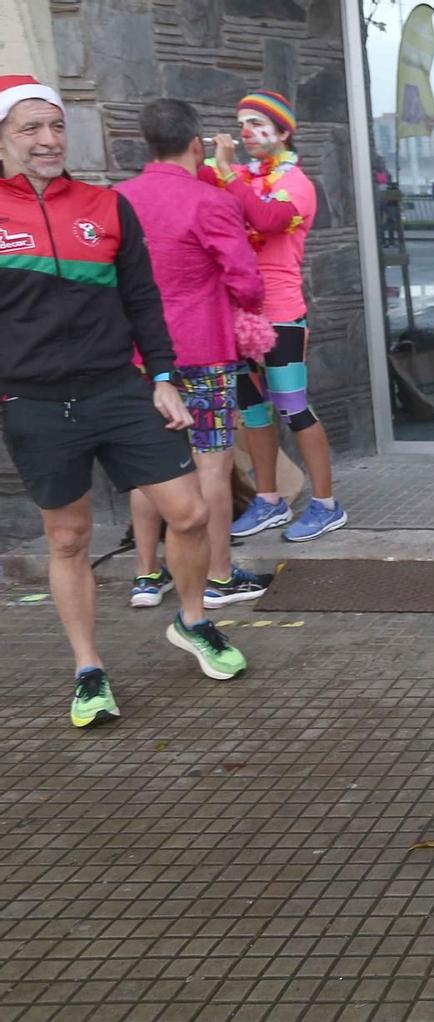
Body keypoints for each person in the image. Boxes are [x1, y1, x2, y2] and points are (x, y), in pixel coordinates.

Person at [0, 76, 249, 726]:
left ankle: (193, 620)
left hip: (119, 387)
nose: (49, 139)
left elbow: (142, 299)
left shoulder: (106, 205)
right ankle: (88, 669)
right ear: (3, 136)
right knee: (68, 536)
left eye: (55, 126)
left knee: (190, 510)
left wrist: (163, 376)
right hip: (33, 400)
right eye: (31, 127)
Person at [118, 98, 270, 613]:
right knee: (212, 460)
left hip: (137, 355)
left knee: (148, 463)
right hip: (202, 349)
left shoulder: (118, 199)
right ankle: (218, 575)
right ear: (195, 143)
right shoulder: (209, 201)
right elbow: (247, 282)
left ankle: (145, 574)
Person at [203, 90, 347, 544]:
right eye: (241, 123)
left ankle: (326, 505)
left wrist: (226, 173)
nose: (246, 133)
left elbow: (265, 219)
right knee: (253, 410)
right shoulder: (238, 176)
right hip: (236, 312)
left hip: (281, 315)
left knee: (293, 407)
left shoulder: (295, 183)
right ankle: (269, 500)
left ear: (283, 132)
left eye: (257, 124)